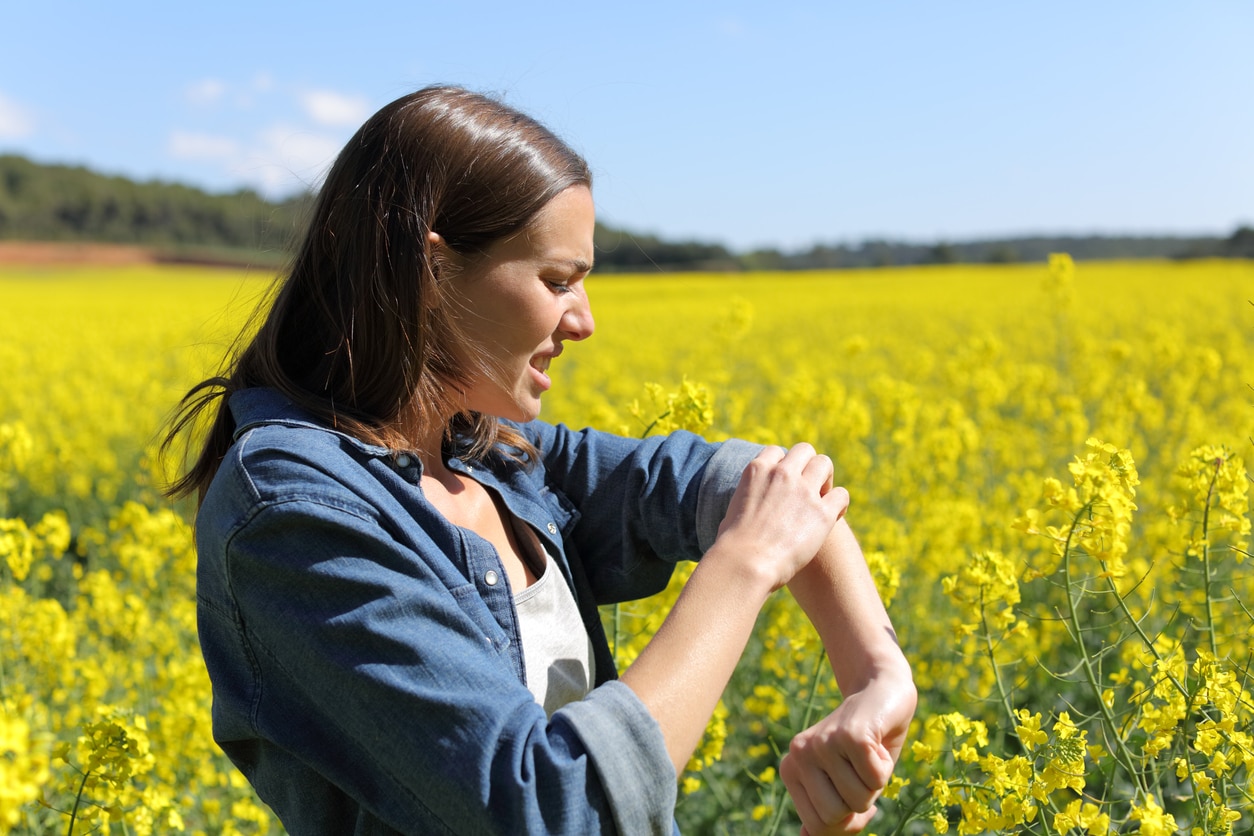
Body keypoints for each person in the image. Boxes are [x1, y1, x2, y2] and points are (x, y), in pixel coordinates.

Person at [164, 85, 916, 836]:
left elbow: (772, 489)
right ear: (429, 270)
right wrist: (746, 564)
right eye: (558, 281)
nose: (585, 321)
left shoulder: (487, 455)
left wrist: (878, 679)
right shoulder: (292, 512)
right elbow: (550, 810)